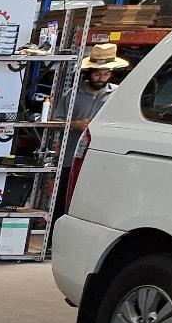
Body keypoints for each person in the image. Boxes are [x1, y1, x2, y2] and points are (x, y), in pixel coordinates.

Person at [54, 42, 129, 218]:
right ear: (89, 73)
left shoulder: (117, 94)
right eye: (97, 74)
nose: (102, 78)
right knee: (62, 202)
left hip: (101, 158)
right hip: (70, 159)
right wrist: (75, 125)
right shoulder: (72, 94)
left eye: (106, 74)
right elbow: (57, 121)